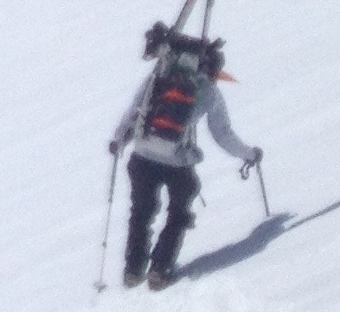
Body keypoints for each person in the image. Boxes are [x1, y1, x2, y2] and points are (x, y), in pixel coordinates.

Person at [110, 32, 261, 287]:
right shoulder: (209, 92)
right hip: (177, 162)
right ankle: (160, 268)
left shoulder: (158, 78)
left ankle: (133, 270)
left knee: (141, 213)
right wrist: (249, 154)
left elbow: (136, 111)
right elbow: (222, 134)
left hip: (142, 156)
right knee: (178, 212)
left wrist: (118, 140)